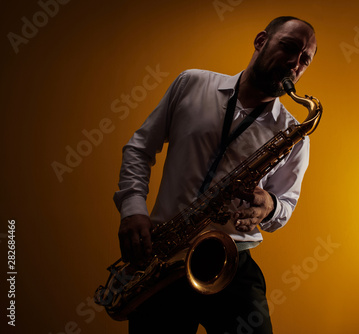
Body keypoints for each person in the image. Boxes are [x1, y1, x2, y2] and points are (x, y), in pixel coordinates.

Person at [113, 16, 318, 334]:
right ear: (261, 41)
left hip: (231, 262)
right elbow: (140, 148)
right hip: (163, 259)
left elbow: (285, 206)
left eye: (305, 59)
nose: (295, 63)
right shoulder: (192, 83)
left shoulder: (294, 133)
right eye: (289, 47)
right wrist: (132, 209)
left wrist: (270, 206)